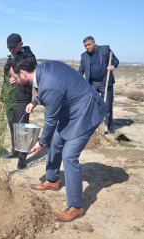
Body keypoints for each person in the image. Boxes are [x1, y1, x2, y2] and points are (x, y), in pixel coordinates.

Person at [10, 53, 106, 222]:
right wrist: (36, 101)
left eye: (15, 77)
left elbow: (50, 120)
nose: (14, 80)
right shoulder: (44, 69)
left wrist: (40, 143)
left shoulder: (49, 86)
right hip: (72, 109)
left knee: (69, 156)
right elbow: (53, 89)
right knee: (56, 142)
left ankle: (76, 206)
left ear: (23, 73)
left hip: (87, 112)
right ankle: (52, 180)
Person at [0, 33, 36, 169]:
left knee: (22, 129)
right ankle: (15, 150)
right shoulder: (10, 59)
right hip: (9, 98)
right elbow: (5, 80)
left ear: (21, 44)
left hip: (22, 98)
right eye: (9, 48)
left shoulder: (29, 57)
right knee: (12, 127)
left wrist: (19, 76)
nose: (11, 50)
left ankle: (22, 157)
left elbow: (30, 74)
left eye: (13, 47)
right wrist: (2, 98)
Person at [78, 36, 119, 134]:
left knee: (107, 106)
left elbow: (115, 60)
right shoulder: (84, 56)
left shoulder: (105, 49)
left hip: (105, 82)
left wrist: (113, 66)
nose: (87, 47)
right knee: (92, 105)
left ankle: (109, 127)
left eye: (88, 45)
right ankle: (92, 126)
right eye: (85, 46)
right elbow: (81, 70)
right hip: (92, 84)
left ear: (94, 43)